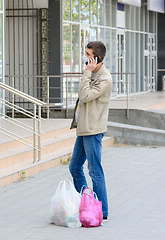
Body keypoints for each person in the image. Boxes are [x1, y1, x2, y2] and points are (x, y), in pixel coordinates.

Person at [69, 41, 112, 222]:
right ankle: (86, 202)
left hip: (93, 130)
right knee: (74, 167)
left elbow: (85, 96)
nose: (85, 58)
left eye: (88, 55)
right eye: (86, 54)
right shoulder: (93, 74)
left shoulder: (104, 79)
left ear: (98, 58)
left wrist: (87, 72)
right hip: (84, 128)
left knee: (95, 171)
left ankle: (102, 211)